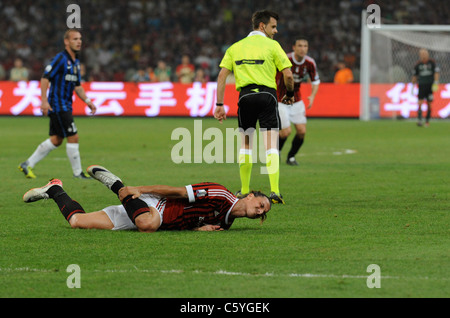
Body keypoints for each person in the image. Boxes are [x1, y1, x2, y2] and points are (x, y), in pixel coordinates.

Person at [23, 165, 271, 232]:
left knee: (77, 222)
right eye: (260, 204)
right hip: (156, 206)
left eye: (264, 212)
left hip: (142, 211)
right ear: (250, 196)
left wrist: (198, 230)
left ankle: (55, 189)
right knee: (148, 225)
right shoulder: (219, 193)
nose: (260, 211)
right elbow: (175, 191)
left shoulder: (226, 224)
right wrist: (138, 189)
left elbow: (192, 219)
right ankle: (117, 184)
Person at [214, 10, 294, 204]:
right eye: (273, 26)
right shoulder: (273, 46)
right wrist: (290, 94)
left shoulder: (235, 47)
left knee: (246, 145)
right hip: (267, 96)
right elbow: (289, 75)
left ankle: (243, 190)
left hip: (245, 97)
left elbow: (222, 76)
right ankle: (274, 191)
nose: (275, 31)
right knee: (271, 145)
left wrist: (219, 104)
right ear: (262, 26)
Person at [18, 29, 96, 179]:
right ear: (66, 42)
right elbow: (45, 78)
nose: (79, 41)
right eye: (74, 39)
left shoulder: (76, 62)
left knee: (57, 139)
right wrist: (44, 101)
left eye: (80, 39)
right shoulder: (60, 59)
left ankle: (27, 164)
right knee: (74, 136)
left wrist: (88, 101)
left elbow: (77, 86)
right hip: (58, 105)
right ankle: (78, 173)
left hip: (66, 104)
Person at [276, 38, 320, 166]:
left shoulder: (310, 63)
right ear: (294, 47)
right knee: (286, 132)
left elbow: (315, 80)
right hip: (281, 100)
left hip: (297, 100)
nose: (303, 48)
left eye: (305, 46)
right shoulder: (285, 59)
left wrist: (312, 96)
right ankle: (276, 152)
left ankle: (291, 157)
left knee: (301, 131)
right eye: (300, 46)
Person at [412, 48, 440, 127]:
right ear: (420, 55)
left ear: (427, 54)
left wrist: (436, 82)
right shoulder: (418, 64)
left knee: (429, 103)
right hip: (421, 85)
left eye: (425, 53)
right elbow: (415, 76)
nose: (423, 55)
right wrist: (412, 86)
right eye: (422, 54)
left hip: (430, 86)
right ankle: (420, 119)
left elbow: (436, 73)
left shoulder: (432, 63)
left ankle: (427, 121)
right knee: (420, 103)